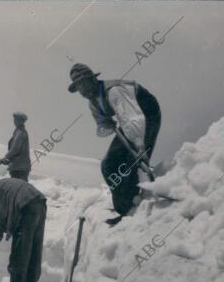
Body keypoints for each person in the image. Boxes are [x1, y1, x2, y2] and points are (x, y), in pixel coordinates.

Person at [67, 63, 161, 226]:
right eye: (77, 87)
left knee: (131, 162)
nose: (81, 91)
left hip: (147, 116)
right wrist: (106, 124)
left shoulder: (114, 91)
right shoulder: (93, 101)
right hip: (128, 122)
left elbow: (133, 118)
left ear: (91, 80)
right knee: (109, 165)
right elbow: (102, 125)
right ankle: (125, 209)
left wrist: (140, 146)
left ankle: (139, 204)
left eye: (82, 84)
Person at [0, 112, 31, 181]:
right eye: (15, 119)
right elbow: (18, 152)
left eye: (17, 120)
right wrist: (9, 160)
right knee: (19, 188)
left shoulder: (20, 132)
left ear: (22, 121)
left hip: (19, 168)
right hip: (19, 167)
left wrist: (6, 157)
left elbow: (15, 148)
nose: (15, 121)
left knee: (18, 188)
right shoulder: (19, 131)